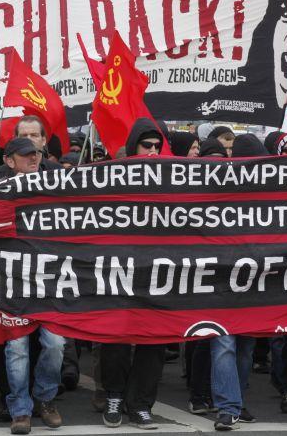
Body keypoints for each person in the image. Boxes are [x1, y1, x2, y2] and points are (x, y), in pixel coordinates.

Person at [0, 137, 64, 435]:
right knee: (18, 348)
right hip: (14, 283)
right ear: (9, 161)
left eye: (35, 154)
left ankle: (45, 399)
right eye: (25, 155)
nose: (32, 159)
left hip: (51, 282)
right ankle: (20, 409)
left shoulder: (56, 188)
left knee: (56, 344)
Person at [101, 119, 165, 431]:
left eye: (157, 146)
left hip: (157, 276)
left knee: (153, 342)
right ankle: (114, 396)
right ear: (133, 147)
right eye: (146, 145)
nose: (152, 152)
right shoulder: (110, 179)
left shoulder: (173, 181)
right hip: (118, 272)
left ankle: (140, 404)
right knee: (115, 339)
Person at [208, 134, 267, 431]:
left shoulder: (268, 194)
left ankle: (237, 400)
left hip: (254, 283)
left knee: (244, 346)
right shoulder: (219, 191)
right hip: (221, 283)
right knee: (225, 342)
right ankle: (227, 406)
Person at [0, 116, 61, 182]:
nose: (29, 139)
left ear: (43, 141)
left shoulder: (58, 171)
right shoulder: (0, 173)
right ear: (16, 139)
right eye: (23, 136)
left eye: (34, 135)